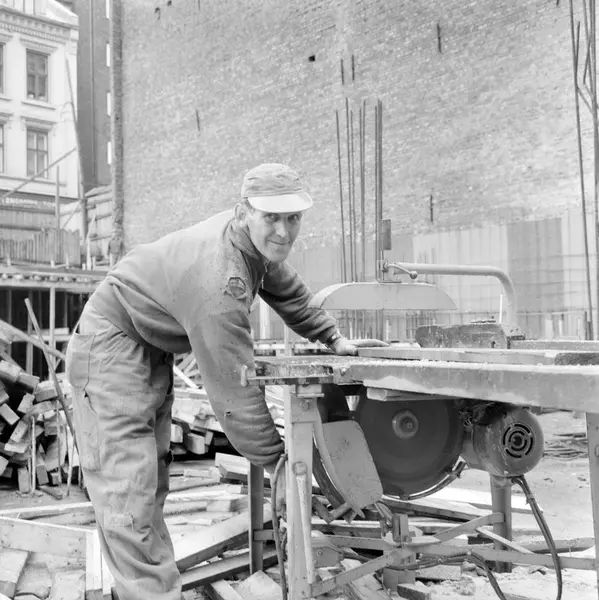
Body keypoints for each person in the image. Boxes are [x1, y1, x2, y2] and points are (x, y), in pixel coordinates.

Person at [65, 163, 358, 600]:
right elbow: (235, 395)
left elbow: (289, 290)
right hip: (112, 347)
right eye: (272, 218)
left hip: (145, 345)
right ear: (244, 212)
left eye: (293, 218)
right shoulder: (220, 282)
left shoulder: (253, 242)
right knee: (128, 497)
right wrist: (278, 464)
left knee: (148, 487)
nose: (283, 231)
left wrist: (333, 337)